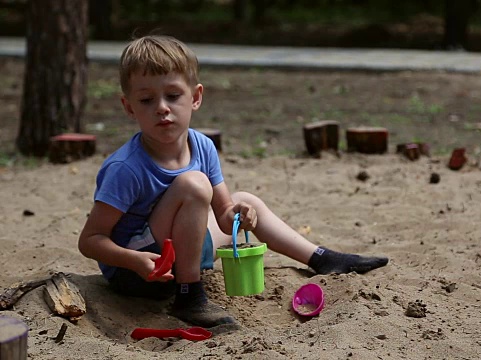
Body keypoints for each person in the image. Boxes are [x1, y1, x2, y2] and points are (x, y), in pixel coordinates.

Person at [77, 35, 389, 329]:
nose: (162, 107)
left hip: (181, 252)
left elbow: (226, 218)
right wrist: (133, 261)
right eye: (146, 100)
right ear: (129, 107)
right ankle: (190, 297)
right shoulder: (126, 167)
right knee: (194, 184)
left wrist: (240, 215)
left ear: (195, 97)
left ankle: (321, 258)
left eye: (173, 96)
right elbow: (90, 241)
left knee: (246, 199)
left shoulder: (202, 146)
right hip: (139, 272)